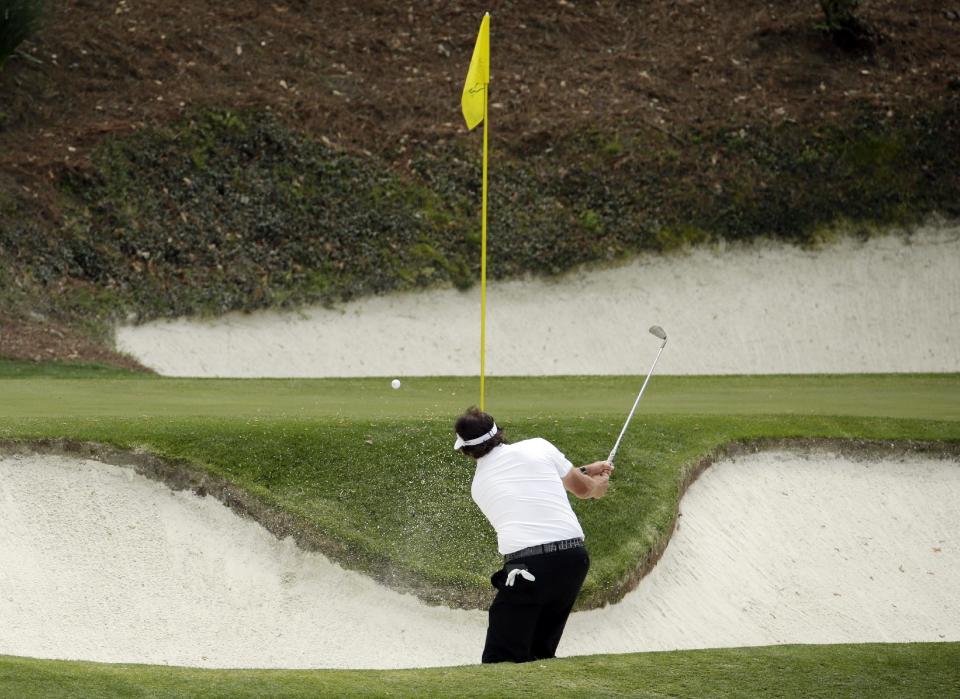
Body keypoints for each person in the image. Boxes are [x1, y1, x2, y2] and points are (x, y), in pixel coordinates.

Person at [453, 406, 613, 664]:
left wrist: (585, 473)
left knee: (501, 660)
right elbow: (582, 490)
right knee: (539, 655)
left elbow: (525, 483)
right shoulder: (539, 446)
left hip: (528, 568)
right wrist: (597, 484)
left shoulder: (478, 486)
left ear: (465, 450)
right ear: (499, 433)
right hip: (573, 560)